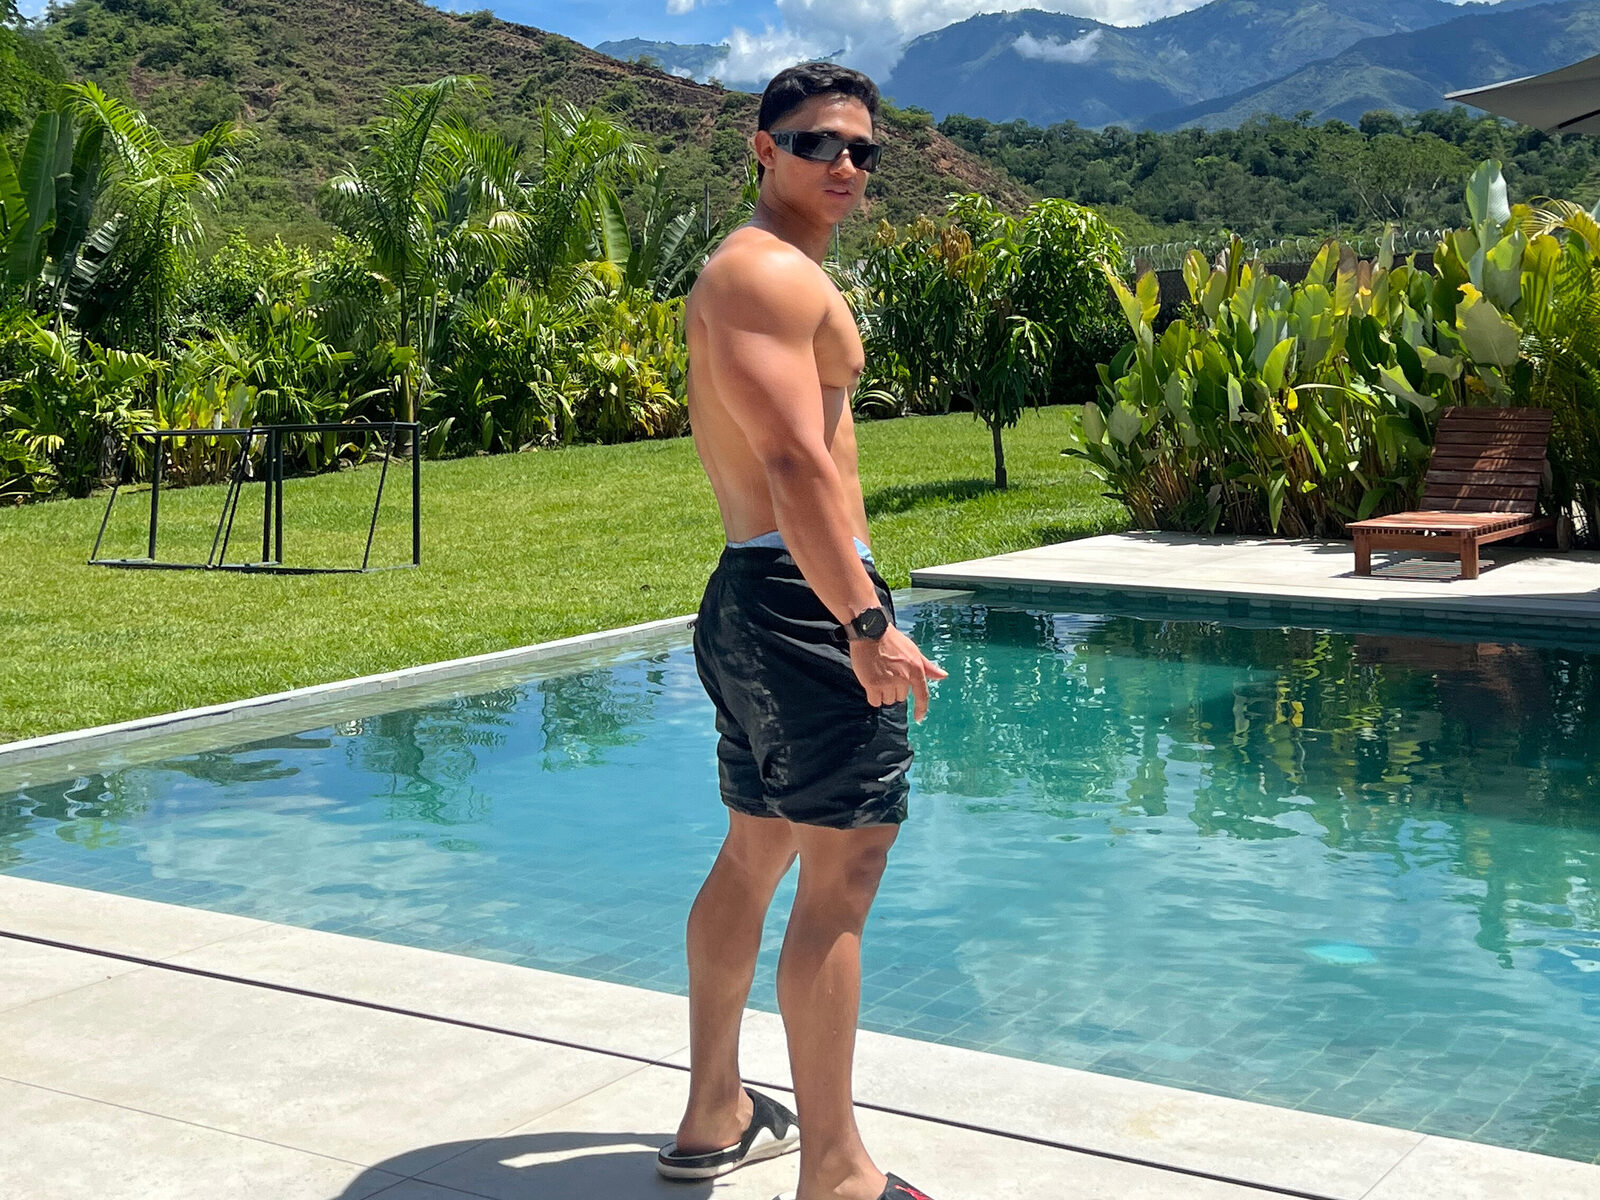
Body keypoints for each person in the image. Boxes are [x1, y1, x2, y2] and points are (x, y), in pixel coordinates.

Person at [653, 62, 946, 1200]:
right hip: (804, 598)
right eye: (820, 142)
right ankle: (838, 1174)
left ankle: (715, 1114)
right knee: (844, 867)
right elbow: (791, 460)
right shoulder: (763, 271)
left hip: (759, 591)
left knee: (758, 847)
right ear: (763, 148)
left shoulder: (766, 271)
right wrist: (864, 619)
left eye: (863, 149)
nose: (845, 164)